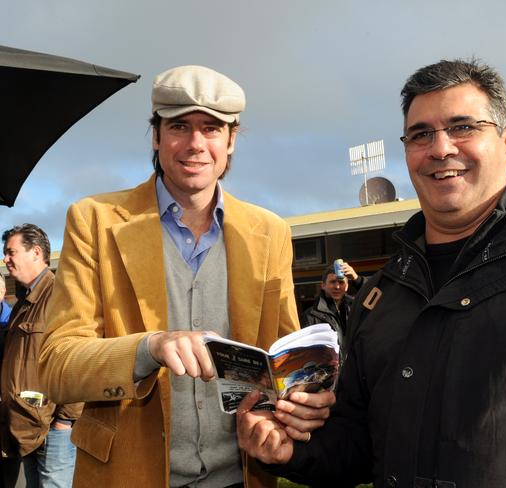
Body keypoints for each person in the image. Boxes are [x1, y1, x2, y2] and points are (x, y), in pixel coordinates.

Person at [237, 59, 506, 487]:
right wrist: (291, 450)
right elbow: (360, 447)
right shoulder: (382, 293)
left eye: (463, 127)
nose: (441, 148)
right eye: (421, 135)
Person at [38, 66, 333, 488]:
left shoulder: (270, 232)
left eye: (211, 128)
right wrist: (149, 347)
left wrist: (301, 401)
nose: (196, 144)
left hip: (241, 477)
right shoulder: (93, 221)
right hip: (126, 476)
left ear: (231, 141)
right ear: (156, 136)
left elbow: (282, 363)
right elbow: (56, 366)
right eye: (179, 126)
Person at [0, 224, 82, 488]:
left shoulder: (60, 295)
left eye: (11, 252)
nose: (5, 259)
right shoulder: (23, 303)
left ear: (36, 252)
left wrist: (64, 420)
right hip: (26, 426)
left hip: (52, 430)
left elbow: (79, 360)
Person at [300, 262, 365, 355]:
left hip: (355, 367)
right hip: (328, 368)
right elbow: (307, 352)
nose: (337, 287)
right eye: (332, 282)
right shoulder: (310, 315)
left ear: (347, 286)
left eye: (341, 282)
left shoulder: (356, 307)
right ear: (323, 285)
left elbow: (379, 298)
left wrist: (357, 279)